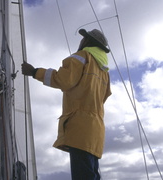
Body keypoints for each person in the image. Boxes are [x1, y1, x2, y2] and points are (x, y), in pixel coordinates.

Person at [22, 29, 112, 180]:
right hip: (96, 130)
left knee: (83, 175)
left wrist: (34, 72)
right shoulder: (104, 71)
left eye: (84, 38)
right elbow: (105, 96)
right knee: (91, 174)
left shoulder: (82, 57)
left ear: (88, 42)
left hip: (80, 126)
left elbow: (63, 79)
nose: (81, 41)